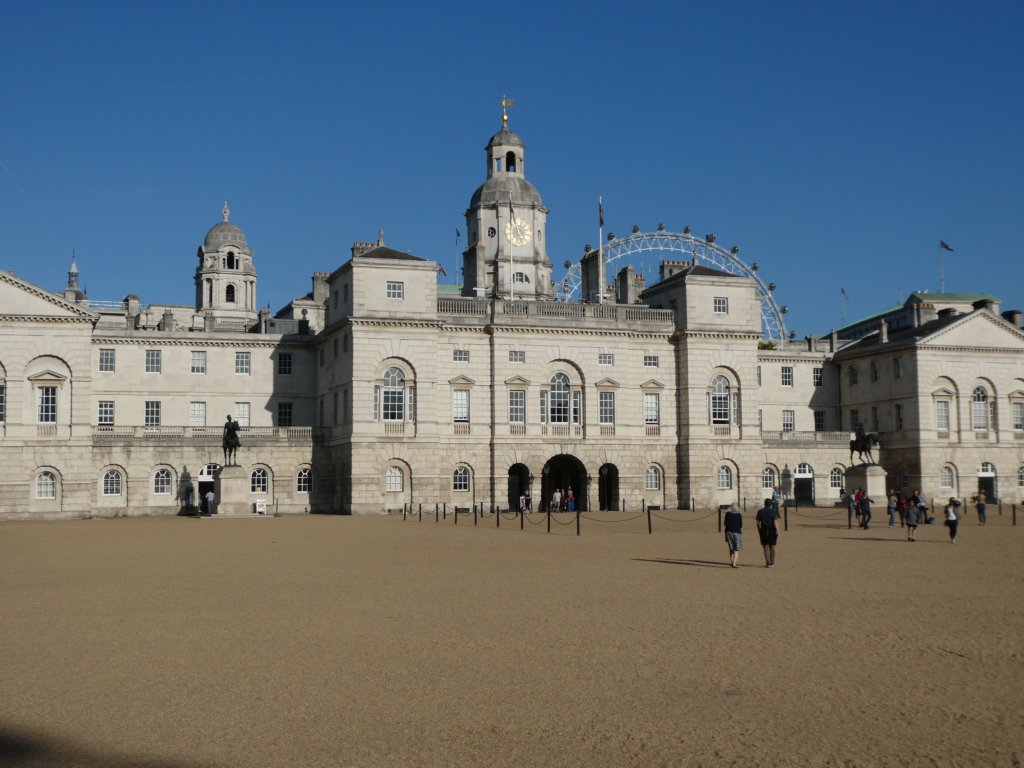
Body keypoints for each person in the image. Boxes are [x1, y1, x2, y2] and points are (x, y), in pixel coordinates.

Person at [755, 497, 780, 568]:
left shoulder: (760, 511)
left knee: (765, 546)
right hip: (772, 529)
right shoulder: (773, 511)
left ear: (765, 504)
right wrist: (778, 530)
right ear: (771, 505)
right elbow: (775, 521)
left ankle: (768, 562)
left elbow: (757, 522)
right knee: (772, 546)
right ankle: (772, 562)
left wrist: (759, 530)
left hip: (763, 529)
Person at [724, 503, 743, 568]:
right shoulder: (739, 515)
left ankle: (732, 562)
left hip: (729, 532)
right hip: (737, 532)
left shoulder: (727, 514)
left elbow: (725, 524)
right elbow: (740, 525)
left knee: (731, 548)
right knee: (736, 549)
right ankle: (734, 563)